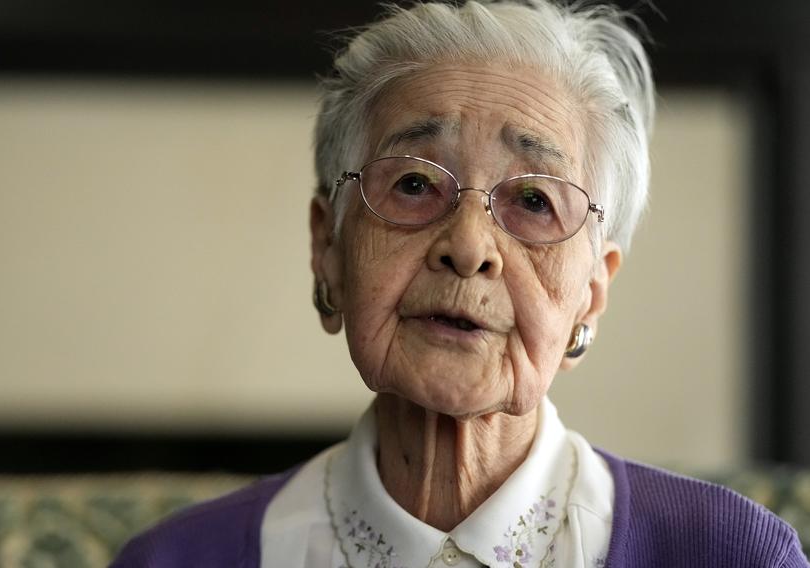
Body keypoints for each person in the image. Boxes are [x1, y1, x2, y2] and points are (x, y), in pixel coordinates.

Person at [111, 1, 808, 566]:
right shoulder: (177, 558)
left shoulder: (730, 554)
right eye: (414, 183)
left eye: (534, 201)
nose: (469, 247)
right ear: (328, 247)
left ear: (592, 290)